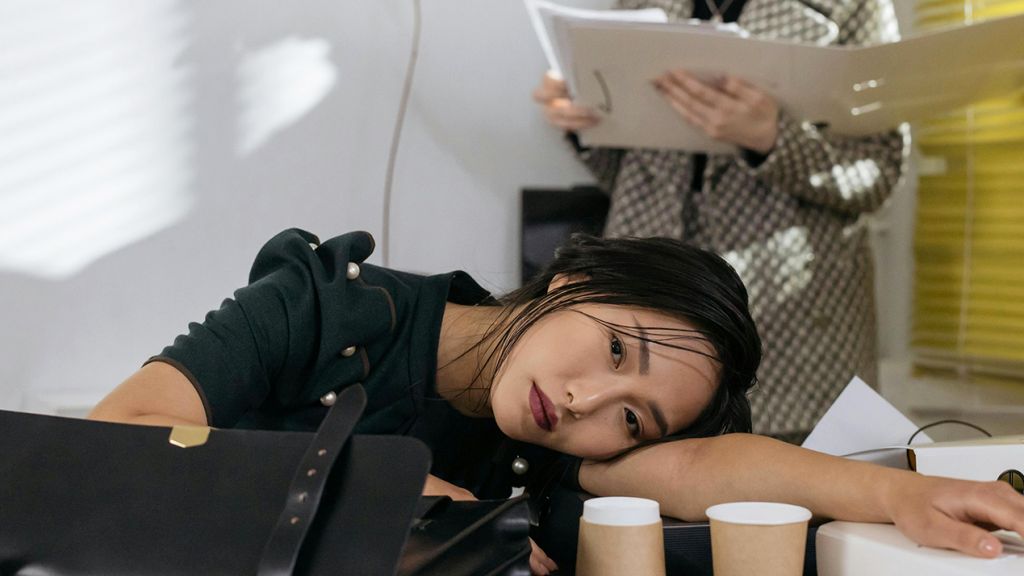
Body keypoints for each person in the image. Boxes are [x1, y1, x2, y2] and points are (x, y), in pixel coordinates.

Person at [89, 228, 1024, 575]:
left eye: (632, 417)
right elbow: (113, 441)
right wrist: (403, 504)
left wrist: (897, 497)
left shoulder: (544, 448)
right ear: (570, 274)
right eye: (618, 347)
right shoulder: (320, 305)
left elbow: (702, 465)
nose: (585, 401)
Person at [533, 0, 909, 443]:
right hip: (643, 307)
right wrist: (584, 124)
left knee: (791, 495)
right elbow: (627, 175)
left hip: (797, 324)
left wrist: (772, 139)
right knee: (640, 492)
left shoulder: (854, 6)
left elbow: (879, 172)